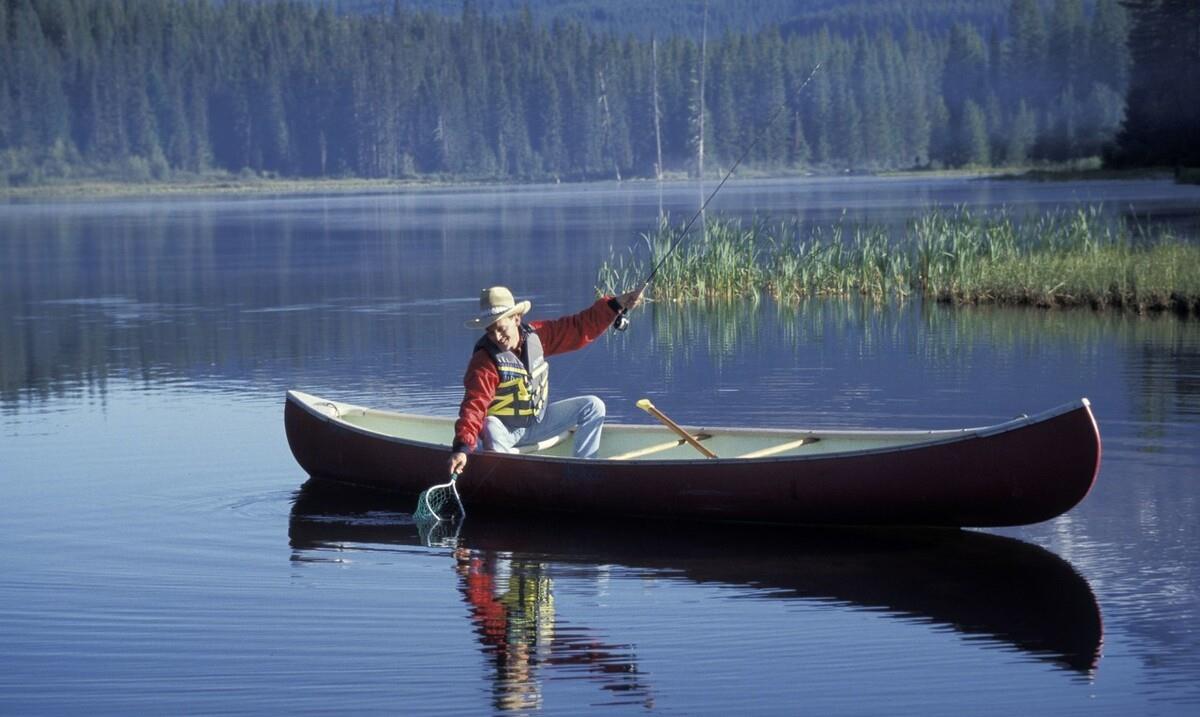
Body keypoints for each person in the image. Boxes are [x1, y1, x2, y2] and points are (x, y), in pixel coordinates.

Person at [448, 285, 644, 475]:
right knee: (489, 424)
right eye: (490, 331)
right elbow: (474, 406)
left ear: (516, 318)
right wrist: (462, 447)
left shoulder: (538, 335)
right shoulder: (484, 360)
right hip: (503, 434)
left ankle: (583, 472)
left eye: (500, 328)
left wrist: (616, 304)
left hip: (538, 424)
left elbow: (578, 327)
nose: (497, 336)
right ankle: (505, 478)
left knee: (593, 406)